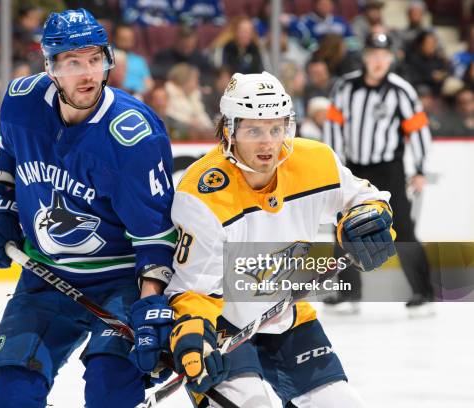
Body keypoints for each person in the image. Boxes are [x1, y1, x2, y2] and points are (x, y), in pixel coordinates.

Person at [145, 70, 397, 406]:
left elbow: (365, 198)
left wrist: (371, 219)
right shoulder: (202, 194)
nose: (267, 143)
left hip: (287, 316)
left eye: (276, 129)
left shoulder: (315, 161)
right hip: (224, 326)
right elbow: (192, 289)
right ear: (229, 130)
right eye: (254, 130)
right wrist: (192, 332)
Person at [0, 9, 176, 408]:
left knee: (109, 390)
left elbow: (155, 237)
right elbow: (9, 159)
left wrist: (151, 303)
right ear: (50, 67)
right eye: (74, 62)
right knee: (12, 390)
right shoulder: (20, 102)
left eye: (95, 59)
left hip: (120, 283)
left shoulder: (134, 137)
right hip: (44, 275)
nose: (88, 74)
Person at [323, 33, 434, 315]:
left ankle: (424, 292)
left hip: (389, 169)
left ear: (391, 58)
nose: (378, 61)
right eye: (373, 54)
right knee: (345, 227)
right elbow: (333, 129)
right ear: (364, 57)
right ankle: (349, 292)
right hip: (354, 169)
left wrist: (420, 168)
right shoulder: (345, 88)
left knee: (404, 231)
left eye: (383, 55)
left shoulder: (400, 90)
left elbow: (419, 130)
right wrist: (334, 167)